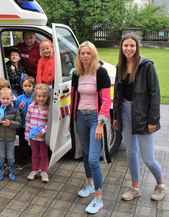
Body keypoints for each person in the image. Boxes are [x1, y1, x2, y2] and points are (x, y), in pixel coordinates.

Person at [113, 33, 166, 201]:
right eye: (126, 45)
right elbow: (117, 93)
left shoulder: (146, 66)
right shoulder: (119, 66)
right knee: (131, 152)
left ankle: (161, 185)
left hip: (143, 116)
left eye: (132, 45)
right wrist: (116, 116)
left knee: (148, 158)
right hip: (125, 113)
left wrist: (153, 120)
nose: (129, 48)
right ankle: (135, 188)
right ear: (122, 48)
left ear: (137, 47)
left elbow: (155, 94)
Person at [70, 41, 111, 214]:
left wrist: (101, 123)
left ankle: (98, 198)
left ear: (93, 54)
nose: (85, 56)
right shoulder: (77, 73)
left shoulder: (101, 73)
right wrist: (71, 122)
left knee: (94, 159)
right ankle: (89, 184)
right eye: (82, 53)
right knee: (86, 154)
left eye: (88, 53)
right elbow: (73, 98)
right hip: (81, 117)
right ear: (79, 55)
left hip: (95, 118)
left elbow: (107, 100)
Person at [0, 88, 21, 181]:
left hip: (11, 138)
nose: (5, 101)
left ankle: (11, 171)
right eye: (3, 98)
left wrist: (10, 123)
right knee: (1, 156)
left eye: (7, 98)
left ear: (11, 98)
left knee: (10, 156)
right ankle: (1, 171)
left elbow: (18, 123)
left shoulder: (15, 111)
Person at [25, 84, 50, 183]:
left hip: (43, 137)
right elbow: (27, 120)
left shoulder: (48, 108)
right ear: (35, 96)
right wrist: (27, 134)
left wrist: (42, 131)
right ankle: (34, 170)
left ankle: (43, 171)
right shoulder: (31, 107)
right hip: (33, 137)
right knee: (34, 154)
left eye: (44, 96)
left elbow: (49, 123)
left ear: (47, 96)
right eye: (39, 96)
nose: (41, 98)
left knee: (44, 154)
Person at [14, 75, 36, 170]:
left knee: (35, 144)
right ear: (22, 86)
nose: (27, 88)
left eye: (29, 86)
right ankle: (23, 160)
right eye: (25, 86)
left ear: (33, 86)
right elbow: (15, 111)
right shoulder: (19, 98)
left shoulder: (35, 97)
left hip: (33, 125)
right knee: (23, 144)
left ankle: (36, 161)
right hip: (23, 125)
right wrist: (20, 108)